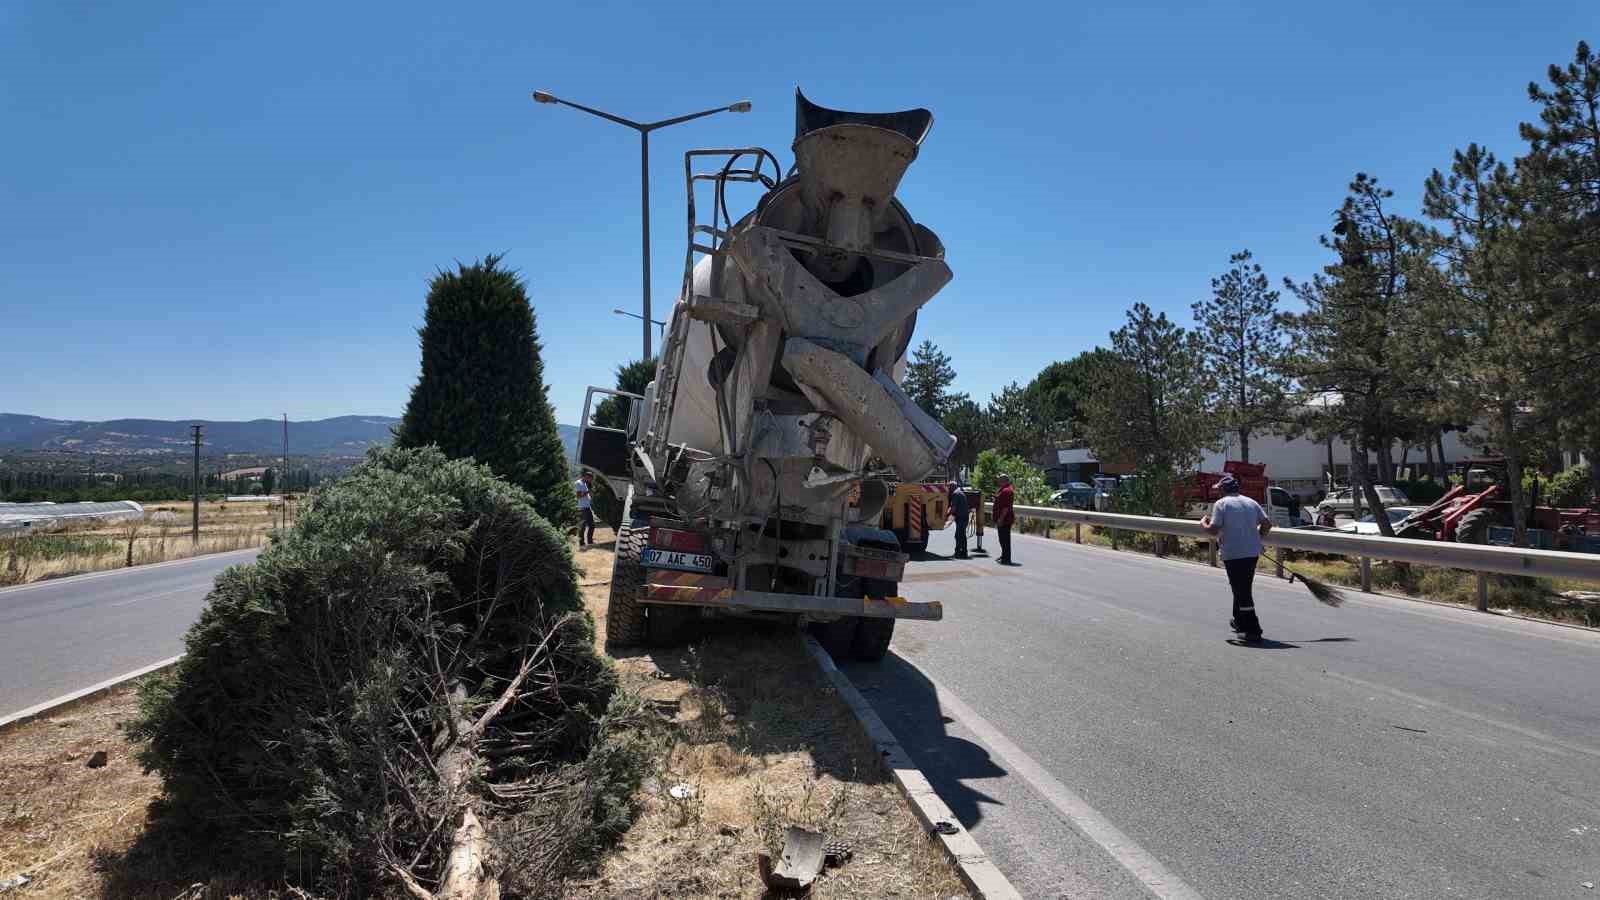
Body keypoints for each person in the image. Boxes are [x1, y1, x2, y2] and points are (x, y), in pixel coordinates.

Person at [1201, 474, 1273, 641]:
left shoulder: (1221, 504)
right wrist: (1257, 538)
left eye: (1219, 490)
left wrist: (1202, 523)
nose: (1218, 493)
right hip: (1252, 553)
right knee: (1241, 587)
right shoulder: (1251, 502)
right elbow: (1267, 524)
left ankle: (1253, 629)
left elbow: (1213, 530)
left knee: (1242, 591)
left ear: (1223, 490)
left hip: (1234, 554)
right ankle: (1239, 620)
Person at [993, 473, 1016, 565]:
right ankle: (1004, 555)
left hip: (1005, 520)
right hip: (1003, 519)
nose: (998, 481)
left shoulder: (1007, 491)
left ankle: (1006, 558)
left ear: (1004, 481)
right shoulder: (1003, 490)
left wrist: (1001, 519)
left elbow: (1006, 507)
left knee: (1005, 539)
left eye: (1000, 480)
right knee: (1002, 539)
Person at [948, 480, 970, 559]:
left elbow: (954, 507)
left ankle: (958, 552)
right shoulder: (960, 492)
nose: (948, 489)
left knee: (958, 535)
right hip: (964, 517)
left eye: (949, 487)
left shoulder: (955, 494)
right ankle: (964, 552)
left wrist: (947, 515)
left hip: (961, 518)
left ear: (952, 487)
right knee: (962, 535)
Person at [574, 472, 596, 547]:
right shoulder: (578, 483)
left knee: (592, 525)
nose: (591, 481)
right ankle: (581, 543)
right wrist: (588, 491)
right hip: (581, 508)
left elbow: (586, 495)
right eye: (590, 479)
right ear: (586, 477)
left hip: (587, 507)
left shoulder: (585, 484)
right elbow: (578, 496)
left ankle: (590, 541)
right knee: (582, 526)